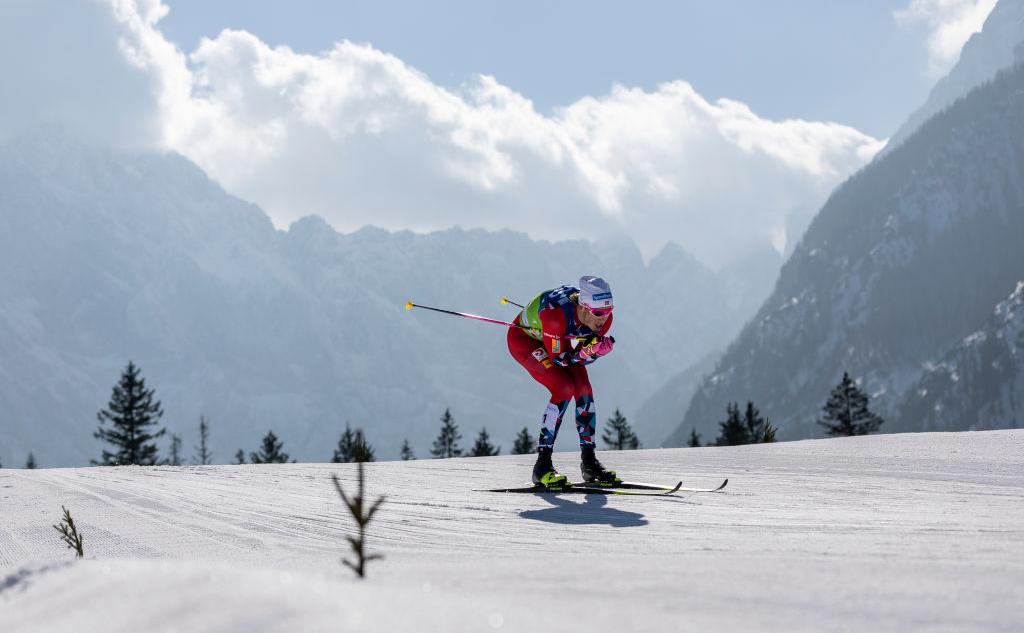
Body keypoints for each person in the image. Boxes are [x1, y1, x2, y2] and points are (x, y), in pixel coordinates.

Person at [507, 275, 619, 487]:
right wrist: (590, 353)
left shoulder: (601, 317)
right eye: (598, 313)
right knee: (564, 388)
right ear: (584, 308)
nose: (603, 319)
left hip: (556, 341)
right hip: (525, 341)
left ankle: (589, 462)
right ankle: (542, 466)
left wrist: (593, 352)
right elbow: (560, 361)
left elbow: (582, 351)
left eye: (608, 311)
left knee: (584, 389)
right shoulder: (556, 316)